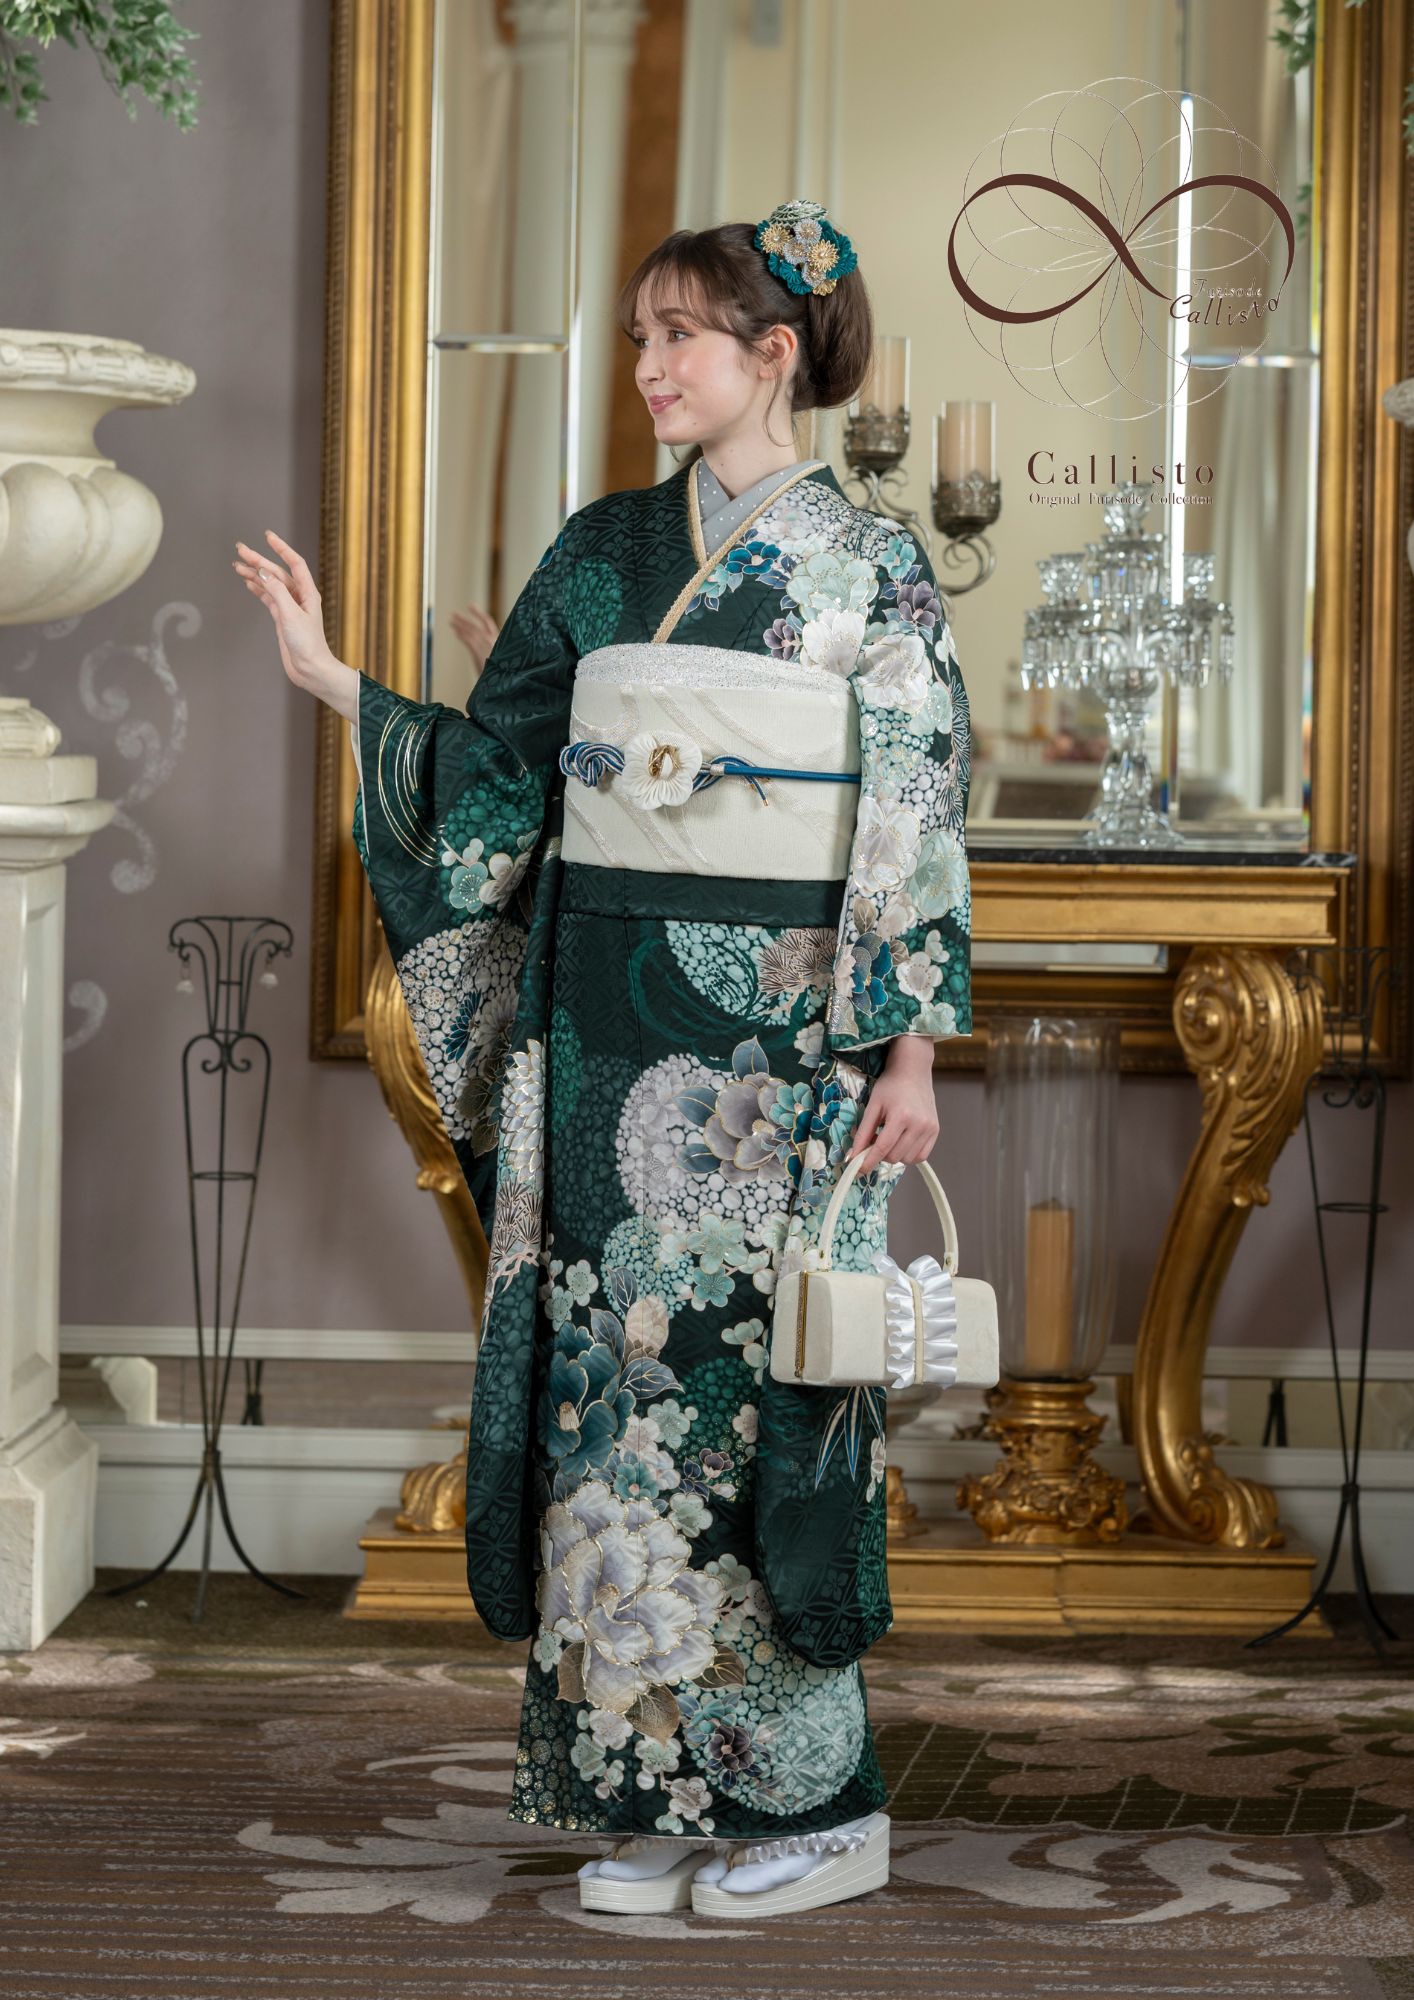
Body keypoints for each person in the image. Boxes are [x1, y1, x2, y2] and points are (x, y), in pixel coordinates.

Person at [234, 196, 972, 1920]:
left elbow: (914, 820)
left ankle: (818, 1808)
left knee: (765, 1406)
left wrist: (909, 1055)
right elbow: (499, 778)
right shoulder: (599, 550)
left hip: (783, 1040)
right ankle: (647, 1789)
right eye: (640, 336)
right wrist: (339, 683)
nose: (647, 365)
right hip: (602, 1027)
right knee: (614, 1400)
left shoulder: (870, 564)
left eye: (678, 336)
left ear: (772, 354)